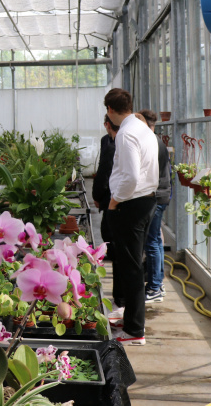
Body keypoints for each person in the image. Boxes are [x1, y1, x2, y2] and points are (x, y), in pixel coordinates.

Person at [105, 88, 158, 346]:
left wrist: (114, 201)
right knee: (132, 263)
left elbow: (132, 177)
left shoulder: (126, 134)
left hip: (130, 204)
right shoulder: (143, 128)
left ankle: (135, 330)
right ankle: (129, 320)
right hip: (146, 201)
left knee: (132, 267)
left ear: (110, 110)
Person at [139, 109, 171, 303]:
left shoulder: (152, 143)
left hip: (156, 197)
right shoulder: (157, 141)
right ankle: (157, 283)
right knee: (156, 241)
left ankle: (154, 288)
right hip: (162, 195)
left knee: (151, 242)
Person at [92, 115, 123, 307]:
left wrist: (98, 196)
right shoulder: (109, 141)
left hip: (116, 202)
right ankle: (122, 299)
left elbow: (104, 173)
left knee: (114, 246)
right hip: (125, 202)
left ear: (108, 124)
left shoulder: (113, 146)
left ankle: (121, 299)